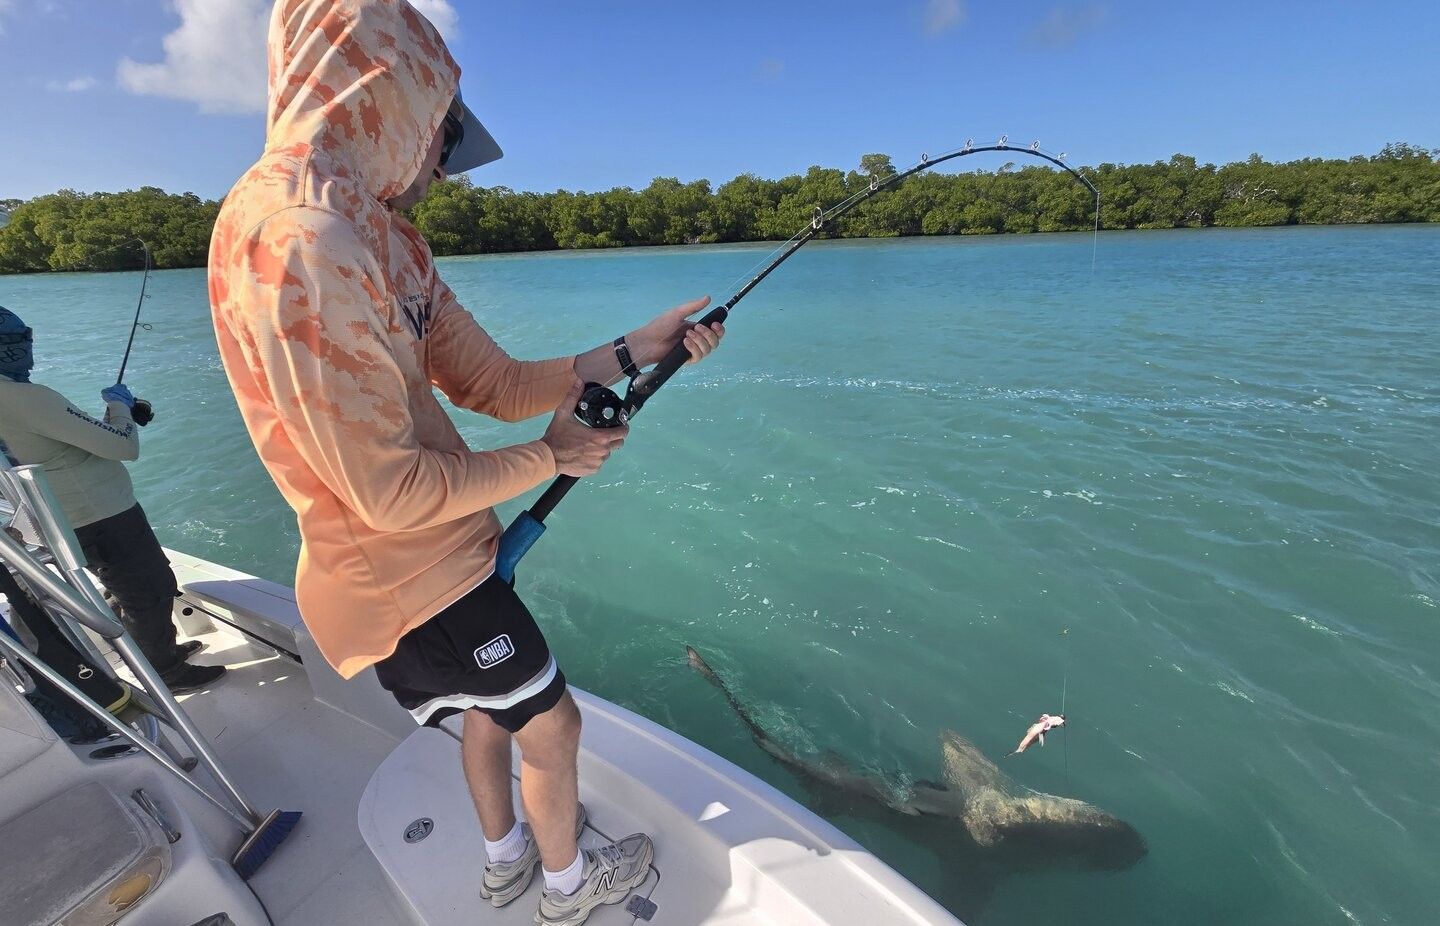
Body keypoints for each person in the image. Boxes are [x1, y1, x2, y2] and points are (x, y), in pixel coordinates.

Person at [207, 2, 723, 922]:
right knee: (551, 725)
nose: (443, 170)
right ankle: (568, 890)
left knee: (488, 712)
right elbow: (390, 494)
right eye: (442, 137)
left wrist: (637, 349)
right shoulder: (299, 239)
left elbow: (495, 381)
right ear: (386, 97)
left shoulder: (381, 234)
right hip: (408, 578)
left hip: (441, 553)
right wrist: (551, 455)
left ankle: (505, 861)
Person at [0, 306, 224, 694]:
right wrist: (119, 407)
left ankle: (149, 652)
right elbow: (122, 446)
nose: (27, 346)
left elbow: (56, 444)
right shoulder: (25, 398)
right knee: (148, 588)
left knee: (125, 584)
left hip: (55, 515)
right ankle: (164, 671)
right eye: (20, 339)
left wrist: (112, 420)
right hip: (100, 514)